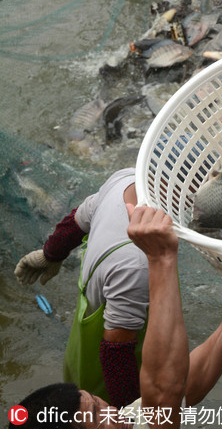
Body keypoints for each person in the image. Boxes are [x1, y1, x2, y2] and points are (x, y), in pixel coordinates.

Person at [11, 204, 222, 429]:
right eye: (96, 416)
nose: (114, 411)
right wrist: (161, 258)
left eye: (98, 403)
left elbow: (181, 390)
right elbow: (163, 392)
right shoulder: (131, 271)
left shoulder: (123, 420)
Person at [14, 169, 149, 408]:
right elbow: (116, 352)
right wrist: (127, 417)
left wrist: (50, 254)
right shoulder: (136, 264)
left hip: (79, 361)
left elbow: (81, 216)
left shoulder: (126, 179)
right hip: (107, 390)